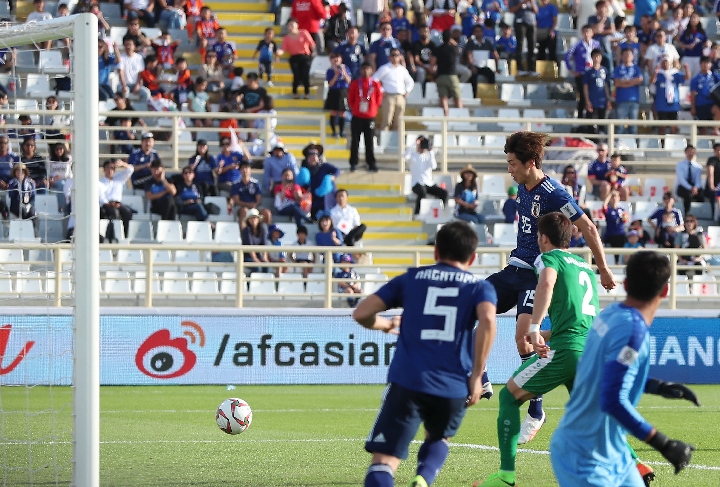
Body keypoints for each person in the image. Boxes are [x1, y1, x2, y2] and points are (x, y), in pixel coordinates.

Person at [485, 131, 615, 445]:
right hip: (515, 267)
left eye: (513, 163)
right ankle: (478, 377)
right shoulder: (520, 186)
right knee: (473, 300)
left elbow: (587, 227)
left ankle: (537, 408)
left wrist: (603, 266)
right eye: (508, 162)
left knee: (523, 340)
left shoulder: (554, 193)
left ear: (531, 163)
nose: (509, 169)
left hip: (536, 274)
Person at [354, 221, 498, 487]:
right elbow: (488, 321)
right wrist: (477, 375)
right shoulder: (480, 288)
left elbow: (361, 313)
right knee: (439, 437)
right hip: (453, 386)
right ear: (473, 257)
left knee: (383, 464)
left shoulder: (411, 279)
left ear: (435, 252)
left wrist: (386, 325)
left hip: (408, 380)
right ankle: (423, 478)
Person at [550, 251, 698, 487]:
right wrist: (663, 444)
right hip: (585, 457)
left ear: (626, 284)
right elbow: (612, 400)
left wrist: (656, 386)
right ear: (665, 291)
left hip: (614, 452)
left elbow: (608, 372)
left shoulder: (609, 315)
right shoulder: (632, 332)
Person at [475, 212, 598, 487]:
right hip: (588, 350)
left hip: (566, 352)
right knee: (592, 415)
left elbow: (545, 283)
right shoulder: (584, 266)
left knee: (508, 397)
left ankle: (506, 476)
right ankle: (634, 464)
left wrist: (534, 326)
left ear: (541, 238)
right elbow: (580, 321)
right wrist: (543, 333)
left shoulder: (546, 259)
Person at [348, 62, 383, 173]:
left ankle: (371, 163)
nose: (366, 71)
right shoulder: (355, 83)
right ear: (360, 70)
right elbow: (351, 98)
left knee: (369, 142)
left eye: (368, 69)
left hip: (370, 117)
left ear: (372, 70)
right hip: (357, 116)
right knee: (355, 141)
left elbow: (379, 99)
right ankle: (353, 162)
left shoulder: (376, 84)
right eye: (364, 69)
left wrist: (373, 109)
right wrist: (355, 108)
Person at [372, 48, 414, 132]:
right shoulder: (384, 68)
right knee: (387, 120)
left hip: (400, 97)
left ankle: (396, 143)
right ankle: (384, 142)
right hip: (388, 96)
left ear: (400, 57)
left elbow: (410, 82)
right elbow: (374, 80)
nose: (395, 57)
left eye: (397, 55)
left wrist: (407, 90)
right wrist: (381, 90)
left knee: (398, 122)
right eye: (393, 55)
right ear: (389, 57)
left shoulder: (402, 69)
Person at [564, 25, 601, 119]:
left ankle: (592, 119)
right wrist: (571, 70)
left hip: (593, 73)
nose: (586, 34)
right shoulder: (577, 44)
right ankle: (580, 120)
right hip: (582, 74)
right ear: (582, 33)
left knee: (593, 96)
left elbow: (600, 57)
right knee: (583, 97)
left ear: (592, 33)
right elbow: (567, 56)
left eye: (588, 32)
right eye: (584, 32)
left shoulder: (596, 44)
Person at [407, 135, 447, 216]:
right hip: (416, 184)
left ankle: (439, 212)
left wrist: (431, 151)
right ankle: (417, 214)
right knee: (422, 193)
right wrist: (414, 144)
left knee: (444, 193)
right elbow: (404, 155)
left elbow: (433, 166)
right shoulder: (413, 155)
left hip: (428, 183)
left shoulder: (428, 155)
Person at [651, 58, 690, 136]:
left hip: (673, 104)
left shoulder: (675, 73)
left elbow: (687, 77)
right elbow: (652, 81)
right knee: (662, 126)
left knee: (674, 126)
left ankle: (673, 143)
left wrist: (686, 69)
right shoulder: (659, 74)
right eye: (664, 62)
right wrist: (655, 72)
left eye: (667, 62)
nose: (665, 64)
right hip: (661, 104)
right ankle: (662, 144)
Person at [99, 159, 135, 241]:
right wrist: (108, 204)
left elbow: (130, 169)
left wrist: (122, 164)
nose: (110, 170)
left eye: (112, 168)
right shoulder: (101, 182)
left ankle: (125, 235)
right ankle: (111, 237)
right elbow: (101, 197)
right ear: (104, 169)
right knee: (114, 213)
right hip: (107, 205)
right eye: (108, 168)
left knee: (127, 212)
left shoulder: (119, 178)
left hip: (118, 204)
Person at [231, 160, 272, 227]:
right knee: (244, 211)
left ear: (250, 170)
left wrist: (255, 205)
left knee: (267, 213)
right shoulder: (235, 184)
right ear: (240, 170)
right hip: (241, 207)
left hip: (255, 206)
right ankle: (243, 234)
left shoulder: (256, 183)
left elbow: (259, 198)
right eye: (243, 168)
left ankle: (266, 234)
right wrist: (248, 204)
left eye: (247, 168)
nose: (245, 170)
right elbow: (237, 201)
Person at [431, 30, 462, 116]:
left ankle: (446, 117)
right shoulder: (454, 49)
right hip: (452, 76)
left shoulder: (438, 49)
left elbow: (432, 63)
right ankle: (459, 117)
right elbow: (459, 50)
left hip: (441, 76)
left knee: (443, 98)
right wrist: (452, 41)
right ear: (451, 38)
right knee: (457, 98)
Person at [282, 18, 315, 99]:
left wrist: (314, 52)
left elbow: (311, 43)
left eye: (292, 24)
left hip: (305, 57)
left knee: (305, 75)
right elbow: (283, 49)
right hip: (294, 58)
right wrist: (279, 52)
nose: (291, 26)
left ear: (297, 25)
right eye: (289, 25)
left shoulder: (304, 32)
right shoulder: (286, 38)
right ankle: (295, 93)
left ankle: (306, 93)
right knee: (296, 75)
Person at [612, 47, 644, 135]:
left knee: (633, 126)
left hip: (634, 100)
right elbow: (617, 83)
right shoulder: (618, 68)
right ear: (621, 56)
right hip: (621, 100)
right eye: (625, 54)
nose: (627, 56)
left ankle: (633, 146)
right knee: (620, 126)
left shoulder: (636, 68)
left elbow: (639, 80)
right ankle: (618, 146)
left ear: (633, 56)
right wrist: (632, 82)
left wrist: (624, 83)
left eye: (629, 54)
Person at [304, 148, 340, 218]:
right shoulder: (306, 171)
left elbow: (337, 170)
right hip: (316, 200)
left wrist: (332, 177)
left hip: (329, 198)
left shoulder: (324, 166)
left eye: (314, 157)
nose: (312, 159)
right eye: (310, 157)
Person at [690, 56, 720, 136]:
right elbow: (693, 94)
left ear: (711, 64)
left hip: (712, 103)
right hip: (701, 105)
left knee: (718, 110)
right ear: (700, 64)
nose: (705, 65)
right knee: (702, 129)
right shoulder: (695, 79)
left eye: (707, 63)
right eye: (703, 63)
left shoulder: (715, 76)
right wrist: (693, 107)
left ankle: (715, 130)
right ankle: (702, 143)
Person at [324, 52, 351, 138]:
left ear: (341, 59)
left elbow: (349, 81)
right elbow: (330, 84)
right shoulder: (329, 70)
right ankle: (334, 131)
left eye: (337, 58)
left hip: (343, 91)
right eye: (333, 58)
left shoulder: (346, 68)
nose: (336, 60)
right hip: (333, 91)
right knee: (333, 111)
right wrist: (336, 74)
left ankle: (341, 131)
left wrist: (343, 72)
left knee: (342, 112)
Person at [508, 0, 538, 76]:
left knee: (532, 46)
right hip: (520, 22)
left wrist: (531, 2)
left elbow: (536, 11)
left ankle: (532, 69)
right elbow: (511, 10)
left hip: (531, 23)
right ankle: (520, 68)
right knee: (520, 45)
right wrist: (522, 3)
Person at [582, 49, 612, 124]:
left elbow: (606, 86)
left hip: (602, 101)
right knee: (590, 123)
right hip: (592, 100)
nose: (596, 59)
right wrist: (587, 101)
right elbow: (585, 87)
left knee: (602, 123)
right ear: (592, 58)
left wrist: (608, 99)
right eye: (595, 56)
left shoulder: (605, 70)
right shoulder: (588, 72)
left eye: (598, 56)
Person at [675, 145, 704, 216]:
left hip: (694, 187)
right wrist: (690, 188)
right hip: (683, 187)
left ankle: (699, 215)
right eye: (689, 151)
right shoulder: (680, 165)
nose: (690, 154)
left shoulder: (698, 167)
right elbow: (681, 180)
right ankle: (686, 214)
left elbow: (698, 179)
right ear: (685, 152)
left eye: (692, 152)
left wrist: (696, 188)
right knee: (687, 195)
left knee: (702, 195)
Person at [603, 190, 630, 264]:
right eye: (612, 197)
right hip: (611, 234)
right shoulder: (608, 209)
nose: (614, 199)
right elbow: (604, 206)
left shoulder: (621, 209)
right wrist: (609, 194)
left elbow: (626, 219)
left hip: (620, 234)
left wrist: (625, 218)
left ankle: (620, 263)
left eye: (616, 197)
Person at [241, 208, 270, 273]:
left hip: (258, 256)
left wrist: (264, 257)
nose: (253, 219)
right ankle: (253, 282)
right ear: (248, 220)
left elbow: (264, 244)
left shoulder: (262, 229)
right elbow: (249, 246)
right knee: (257, 267)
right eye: (251, 218)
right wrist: (255, 259)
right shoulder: (246, 230)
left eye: (255, 218)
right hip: (247, 257)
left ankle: (265, 282)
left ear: (258, 219)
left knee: (266, 265)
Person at [48, 142, 73, 212]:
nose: (59, 151)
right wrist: (52, 178)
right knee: (62, 184)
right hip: (56, 180)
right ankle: (62, 207)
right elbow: (48, 172)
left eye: (61, 149)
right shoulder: (50, 159)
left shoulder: (69, 158)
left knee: (66, 184)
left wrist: (60, 176)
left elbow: (67, 173)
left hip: (67, 179)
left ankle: (69, 206)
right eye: (57, 149)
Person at [706, 142, 720, 221]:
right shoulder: (711, 160)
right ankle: (716, 218)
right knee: (716, 196)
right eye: (717, 150)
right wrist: (712, 186)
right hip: (714, 188)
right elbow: (710, 173)